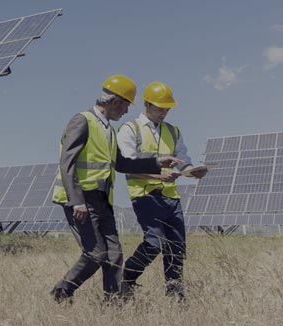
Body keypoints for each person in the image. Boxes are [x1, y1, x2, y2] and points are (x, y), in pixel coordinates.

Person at [50, 75, 182, 303]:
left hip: (102, 200)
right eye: (126, 106)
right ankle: (62, 291)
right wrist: (77, 201)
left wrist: (157, 162)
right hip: (81, 198)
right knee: (96, 254)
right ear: (115, 102)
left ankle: (113, 305)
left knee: (114, 255)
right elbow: (67, 162)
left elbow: (122, 164)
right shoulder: (82, 121)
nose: (126, 112)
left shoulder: (109, 131)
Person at [116, 81, 207, 302]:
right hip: (145, 195)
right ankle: (127, 278)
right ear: (146, 105)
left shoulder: (173, 131)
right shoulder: (130, 129)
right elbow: (127, 165)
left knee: (177, 246)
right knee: (155, 241)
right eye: (159, 108)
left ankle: (176, 295)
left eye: (167, 109)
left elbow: (183, 158)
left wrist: (191, 170)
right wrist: (158, 175)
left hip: (171, 197)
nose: (164, 113)